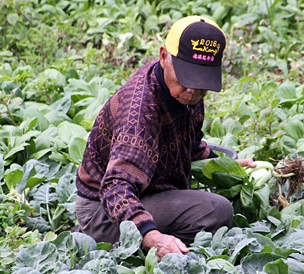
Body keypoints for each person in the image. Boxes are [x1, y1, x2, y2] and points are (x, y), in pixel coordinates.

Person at [75, 16, 255, 261]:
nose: (193, 91)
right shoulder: (139, 113)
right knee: (217, 210)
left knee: (214, 208)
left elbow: (188, 144)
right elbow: (116, 188)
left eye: (201, 82)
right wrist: (152, 237)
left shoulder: (184, 93)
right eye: (187, 78)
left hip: (148, 192)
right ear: (163, 57)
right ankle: (119, 242)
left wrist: (224, 166)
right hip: (103, 212)